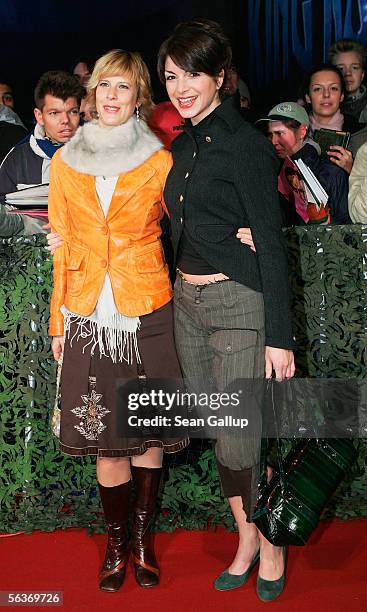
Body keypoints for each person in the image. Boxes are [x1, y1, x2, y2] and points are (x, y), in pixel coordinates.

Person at [157, 18, 295, 602]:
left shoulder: (246, 147)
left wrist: (280, 337)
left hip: (238, 304)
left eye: (193, 73)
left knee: (241, 438)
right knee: (220, 432)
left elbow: (271, 244)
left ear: (219, 76)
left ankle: (271, 544)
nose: (181, 86)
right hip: (187, 305)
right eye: (170, 75)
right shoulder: (182, 144)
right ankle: (245, 537)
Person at [48, 49, 187, 593]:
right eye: (103, 85)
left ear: (138, 99)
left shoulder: (160, 161)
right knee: (108, 436)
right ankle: (115, 545)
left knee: (146, 431)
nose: (110, 96)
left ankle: (144, 539)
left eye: (123, 88)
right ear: (91, 94)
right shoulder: (64, 164)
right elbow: (61, 248)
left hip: (146, 304)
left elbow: (190, 225)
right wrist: (59, 323)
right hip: (87, 311)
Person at [256, 101, 350, 224]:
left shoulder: (332, 174)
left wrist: (326, 221)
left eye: (280, 133)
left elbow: (351, 229)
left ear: (302, 131)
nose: (273, 141)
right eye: (270, 134)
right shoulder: (270, 172)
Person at [0, 70, 83, 196]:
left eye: (73, 112)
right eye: (54, 113)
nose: (66, 120)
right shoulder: (17, 159)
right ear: (39, 116)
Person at [302, 63, 366, 172]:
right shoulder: (293, 132)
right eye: (318, 89)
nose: (326, 94)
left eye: (333, 88)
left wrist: (352, 169)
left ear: (341, 96)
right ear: (308, 97)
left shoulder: (362, 136)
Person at [329, 38, 367, 122]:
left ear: (362, 74)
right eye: (341, 68)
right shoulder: (320, 104)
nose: (348, 73)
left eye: (355, 67)